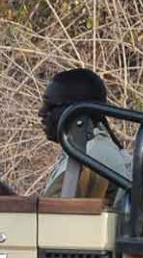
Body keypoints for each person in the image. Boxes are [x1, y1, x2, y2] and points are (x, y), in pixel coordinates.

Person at [37, 68, 131, 199]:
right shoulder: (82, 151)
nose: (41, 112)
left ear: (78, 111)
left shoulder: (94, 155)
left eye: (50, 105)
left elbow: (55, 214)